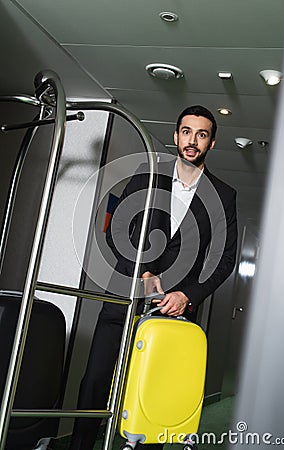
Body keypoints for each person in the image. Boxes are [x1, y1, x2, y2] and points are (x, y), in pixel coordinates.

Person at [69, 105, 238, 450]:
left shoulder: (223, 195)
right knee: (96, 380)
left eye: (201, 134)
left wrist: (187, 295)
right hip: (125, 297)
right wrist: (143, 273)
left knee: (155, 392)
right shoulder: (146, 175)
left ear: (212, 142)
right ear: (176, 136)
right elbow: (120, 229)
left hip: (172, 311)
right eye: (187, 132)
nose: (193, 141)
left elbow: (224, 260)